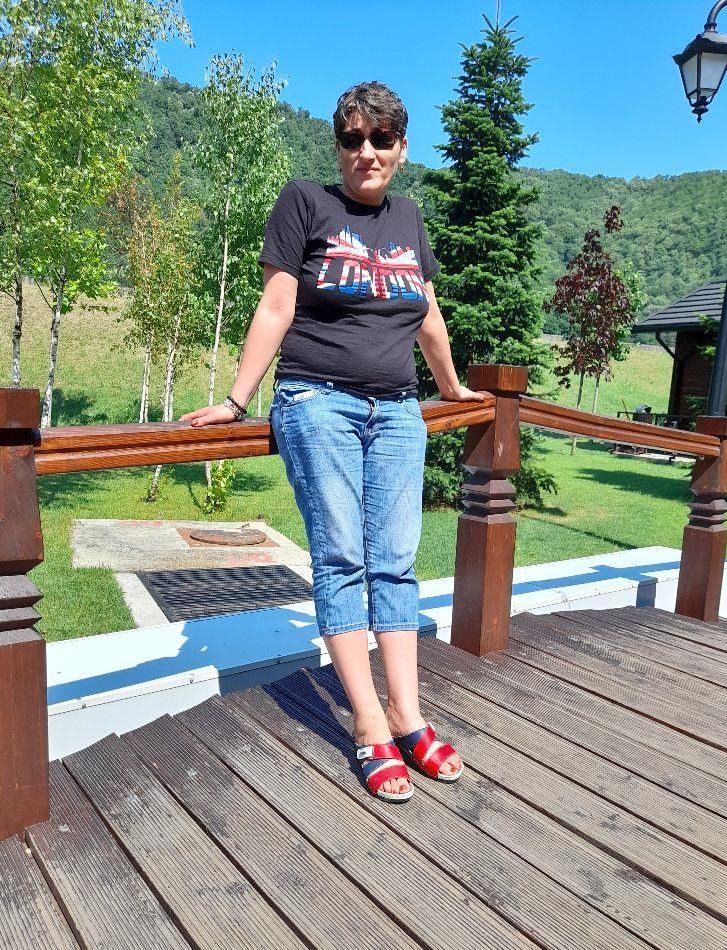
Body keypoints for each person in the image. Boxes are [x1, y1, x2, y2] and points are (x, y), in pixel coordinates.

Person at [180, 81, 485, 802]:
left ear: (401, 148)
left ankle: (409, 715)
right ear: (339, 146)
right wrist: (236, 400)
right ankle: (369, 723)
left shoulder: (409, 218)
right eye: (353, 139)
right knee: (343, 558)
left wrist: (451, 389)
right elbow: (277, 304)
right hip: (318, 401)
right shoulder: (304, 203)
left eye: (380, 139)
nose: (366, 152)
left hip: (399, 410)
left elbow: (427, 314)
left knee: (396, 563)